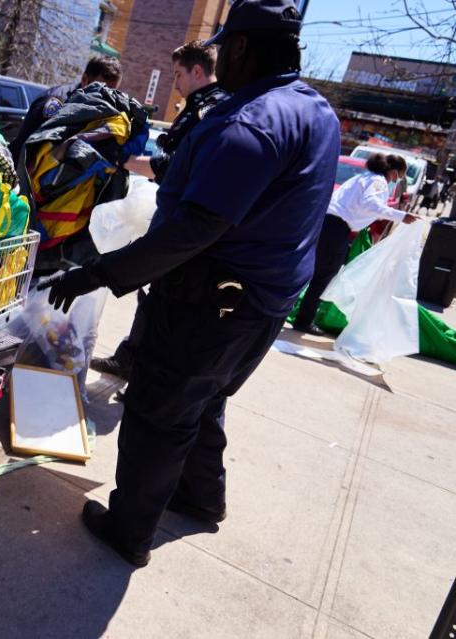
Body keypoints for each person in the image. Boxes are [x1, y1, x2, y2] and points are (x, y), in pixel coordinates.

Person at [40, 0, 340, 567]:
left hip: (211, 304)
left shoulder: (249, 123)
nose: (221, 55)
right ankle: (202, 498)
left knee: (160, 411)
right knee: (204, 399)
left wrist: (100, 273)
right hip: (263, 303)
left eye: (226, 46)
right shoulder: (316, 111)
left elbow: (192, 230)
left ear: (244, 49)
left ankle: (129, 529)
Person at [92, 40, 230, 380]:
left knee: (163, 296)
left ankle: (141, 367)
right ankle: (133, 358)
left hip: (183, 218)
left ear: (197, 71)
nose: (175, 82)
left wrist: (125, 161)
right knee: (156, 294)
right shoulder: (210, 104)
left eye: (178, 74)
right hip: (181, 214)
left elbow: (175, 166)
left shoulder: (207, 110)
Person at [291, 153, 417, 335]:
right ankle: (303, 320)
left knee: (312, 270)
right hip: (337, 228)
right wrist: (401, 216)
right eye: (400, 176)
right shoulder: (378, 182)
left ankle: (290, 310)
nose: (397, 180)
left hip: (327, 222)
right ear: (394, 172)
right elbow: (371, 204)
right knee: (323, 276)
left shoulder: (363, 177)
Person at [9, 56, 122, 161]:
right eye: (100, 90)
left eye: (111, 93)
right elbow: (28, 144)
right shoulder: (57, 102)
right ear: (84, 79)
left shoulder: (101, 113)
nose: (104, 98)